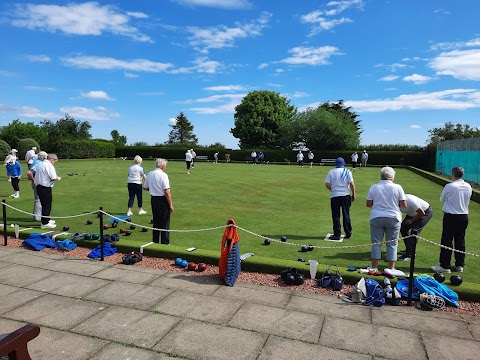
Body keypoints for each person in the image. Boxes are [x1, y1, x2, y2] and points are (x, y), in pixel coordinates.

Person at [432, 166, 472, 273]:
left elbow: (442, 199)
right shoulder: (468, 186)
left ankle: (445, 266)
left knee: (447, 240)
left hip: (451, 216)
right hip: (463, 216)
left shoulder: (449, 186)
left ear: (453, 174)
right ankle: (459, 265)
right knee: (460, 240)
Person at [366, 166, 407, 272]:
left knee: (376, 243)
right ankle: (391, 268)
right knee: (392, 244)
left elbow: (368, 204)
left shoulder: (374, 187)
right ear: (392, 177)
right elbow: (403, 204)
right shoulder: (398, 187)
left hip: (377, 216)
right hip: (393, 217)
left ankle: (374, 267)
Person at [144, 158, 173, 244]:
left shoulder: (150, 174)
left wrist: (153, 189)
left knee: (156, 222)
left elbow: (145, 187)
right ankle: (164, 244)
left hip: (154, 199)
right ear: (163, 166)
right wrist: (171, 205)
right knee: (165, 223)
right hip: (162, 200)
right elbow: (167, 191)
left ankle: (155, 242)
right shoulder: (163, 175)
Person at [325, 157, 356, 240]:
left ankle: (337, 234)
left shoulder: (331, 172)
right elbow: (352, 184)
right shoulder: (347, 171)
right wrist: (353, 194)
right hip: (345, 195)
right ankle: (348, 233)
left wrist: (332, 189)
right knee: (346, 214)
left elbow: (327, 184)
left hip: (335, 196)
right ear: (343, 163)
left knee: (336, 215)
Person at [399, 194, 433, 261]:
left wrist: (411, 221)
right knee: (403, 228)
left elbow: (421, 213)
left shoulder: (410, 201)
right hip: (412, 213)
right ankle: (409, 249)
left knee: (414, 231)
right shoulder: (394, 201)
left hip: (425, 212)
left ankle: (410, 255)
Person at [34, 153, 61, 229]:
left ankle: (47, 219)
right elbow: (53, 177)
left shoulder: (40, 163)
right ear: (52, 160)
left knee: (44, 204)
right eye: (55, 161)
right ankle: (45, 223)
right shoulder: (49, 165)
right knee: (46, 205)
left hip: (39, 187)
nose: (54, 163)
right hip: (45, 188)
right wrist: (58, 178)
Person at [26, 151, 47, 221]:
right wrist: (34, 180)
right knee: (38, 199)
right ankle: (37, 217)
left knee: (39, 199)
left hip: (37, 182)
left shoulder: (36, 161)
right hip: (37, 183)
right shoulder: (38, 163)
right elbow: (29, 173)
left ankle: (38, 215)